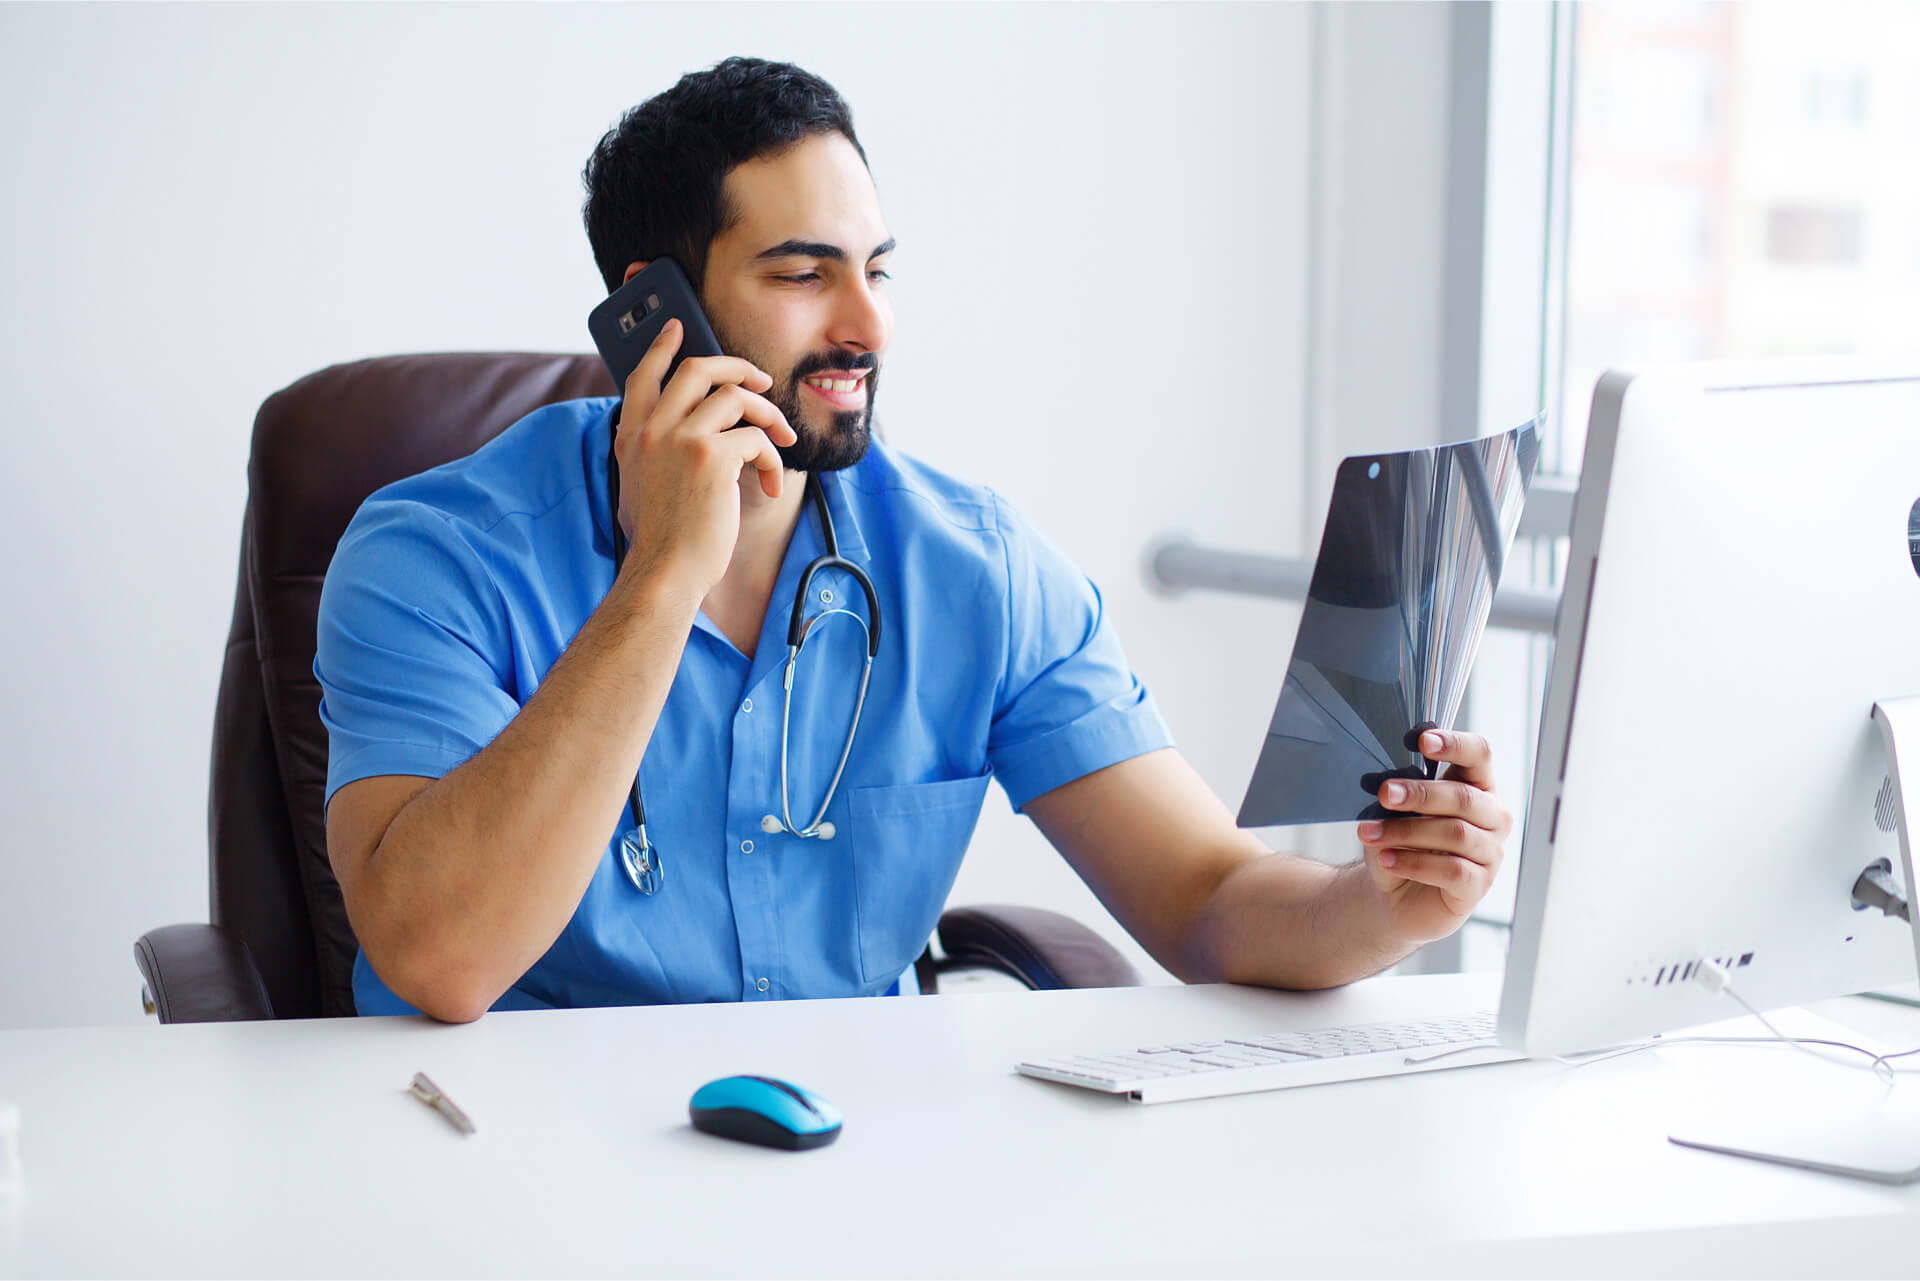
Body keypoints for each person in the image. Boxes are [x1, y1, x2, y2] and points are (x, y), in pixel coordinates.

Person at [315, 57, 1514, 1022]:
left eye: (878, 270)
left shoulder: (975, 567)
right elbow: (441, 962)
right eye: (804, 275)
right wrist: (664, 574)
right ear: (654, 313)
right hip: (511, 1168)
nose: (866, 324)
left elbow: (1208, 901)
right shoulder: (435, 556)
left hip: (845, 1167)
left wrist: (1385, 902)